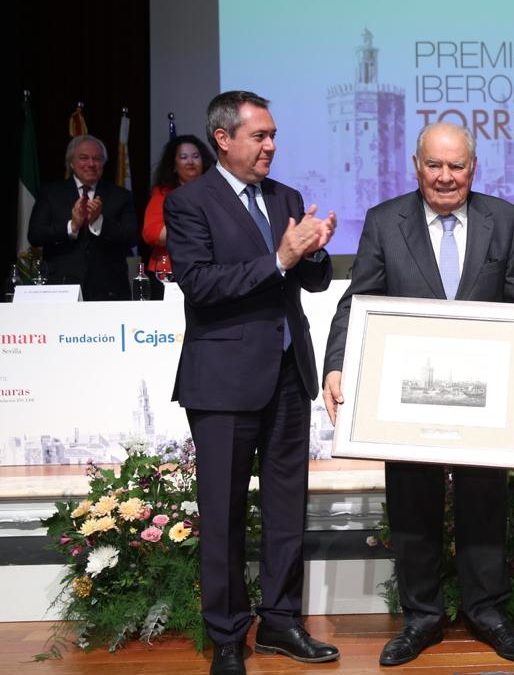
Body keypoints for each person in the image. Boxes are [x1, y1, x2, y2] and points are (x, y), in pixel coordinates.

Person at [322, 121, 514, 667]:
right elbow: (356, 301)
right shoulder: (386, 221)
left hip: (484, 401)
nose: (446, 177)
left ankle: (489, 613)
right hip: (406, 400)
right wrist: (337, 364)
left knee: (484, 504)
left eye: (457, 166)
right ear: (416, 165)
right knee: (412, 506)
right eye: (435, 165)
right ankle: (422, 619)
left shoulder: (505, 219)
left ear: (472, 168)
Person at [164, 91, 339, 675]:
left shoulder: (284, 196)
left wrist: (314, 252)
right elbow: (201, 285)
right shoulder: (191, 202)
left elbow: (311, 283)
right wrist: (282, 259)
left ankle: (282, 623)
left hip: (289, 375)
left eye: (272, 135)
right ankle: (228, 636)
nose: (271, 145)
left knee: (288, 509)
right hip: (222, 383)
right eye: (259, 136)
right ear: (223, 138)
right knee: (224, 513)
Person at [27, 134, 138, 300]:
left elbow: (132, 237)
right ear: (71, 162)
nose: (91, 164)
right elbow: (35, 235)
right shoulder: (51, 193)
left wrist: (99, 222)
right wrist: (71, 227)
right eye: (84, 158)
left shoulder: (120, 196)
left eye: (97, 159)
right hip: (62, 288)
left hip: (109, 290)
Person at [142, 134, 215, 287]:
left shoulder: (216, 193)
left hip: (210, 270)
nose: (190, 162)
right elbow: (151, 233)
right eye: (183, 157)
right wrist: (195, 229)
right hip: (167, 272)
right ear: (174, 165)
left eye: (196, 156)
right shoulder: (163, 194)